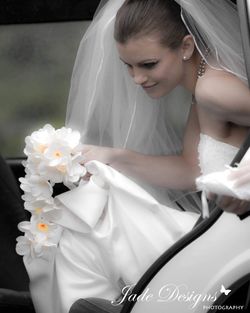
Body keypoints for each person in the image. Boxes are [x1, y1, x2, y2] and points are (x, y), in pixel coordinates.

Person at [18, 0, 250, 313]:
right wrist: (111, 157)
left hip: (229, 245)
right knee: (87, 224)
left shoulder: (213, 89)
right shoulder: (204, 84)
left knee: (88, 223)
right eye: (128, 65)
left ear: (185, 47)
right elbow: (188, 171)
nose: (137, 79)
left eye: (148, 64)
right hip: (215, 233)